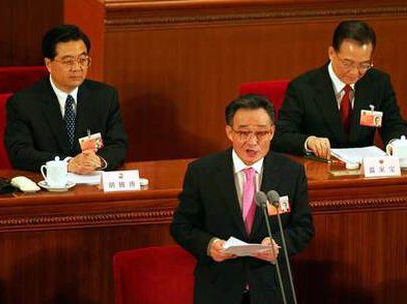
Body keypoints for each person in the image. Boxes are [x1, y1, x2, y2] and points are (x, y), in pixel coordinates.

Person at [171, 94, 314, 304]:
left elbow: (304, 228)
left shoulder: (290, 172)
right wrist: (209, 245)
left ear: (272, 132)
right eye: (244, 132)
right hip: (219, 288)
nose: (252, 142)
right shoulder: (202, 172)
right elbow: (181, 226)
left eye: (261, 133)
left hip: (272, 287)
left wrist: (279, 244)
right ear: (229, 131)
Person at [272, 20, 407, 159]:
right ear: (331, 53)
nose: (355, 72)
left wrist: (396, 144)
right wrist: (308, 141)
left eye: (364, 65)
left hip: (363, 171)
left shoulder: (378, 83)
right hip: (320, 169)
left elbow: (394, 124)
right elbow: (281, 135)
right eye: (347, 63)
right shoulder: (303, 87)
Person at [5, 24, 128, 173]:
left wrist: (99, 160)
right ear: (48, 64)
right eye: (68, 61)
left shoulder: (105, 96)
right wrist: (67, 163)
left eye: (83, 60)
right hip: (48, 187)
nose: (77, 67)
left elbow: (119, 145)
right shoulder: (23, 103)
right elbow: (19, 152)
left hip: (92, 183)